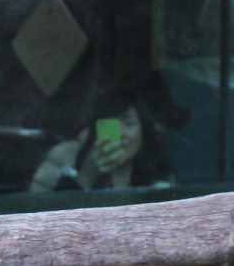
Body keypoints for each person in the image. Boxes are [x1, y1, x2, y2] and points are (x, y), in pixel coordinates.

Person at [29, 82, 182, 194]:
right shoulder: (65, 159)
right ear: (96, 127)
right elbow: (38, 208)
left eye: (129, 124)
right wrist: (85, 176)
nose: (121, 133)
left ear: (143, 131)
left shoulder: (159, 176)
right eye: (111, 124)